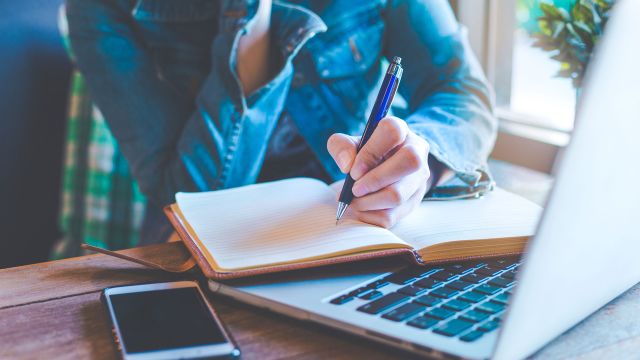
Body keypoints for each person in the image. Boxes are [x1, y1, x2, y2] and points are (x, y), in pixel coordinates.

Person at [64, 0, 496, 244]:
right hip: (198, 252)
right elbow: (189, 200)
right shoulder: (102, 8)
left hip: (349, 228)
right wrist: (250, 19)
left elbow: (462, 92)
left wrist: (420, 160)